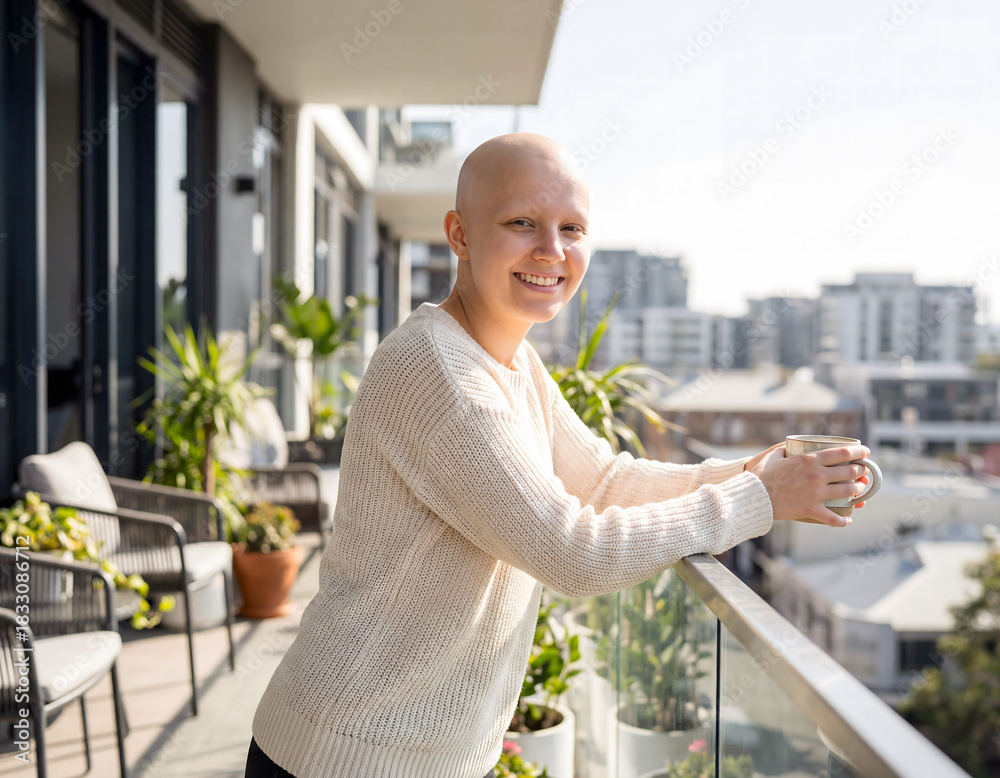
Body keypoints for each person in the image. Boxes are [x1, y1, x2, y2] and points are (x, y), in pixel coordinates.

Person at [244, 133, 870, 778]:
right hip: (343, 756)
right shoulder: (438, 370)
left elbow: (602, 480)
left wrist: (749, 472)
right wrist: (759, 499)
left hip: (418, 757)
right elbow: (573, 553)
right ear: (459, 234)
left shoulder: (512, 361)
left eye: (572, 228)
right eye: (522, 222)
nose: (552, 250)